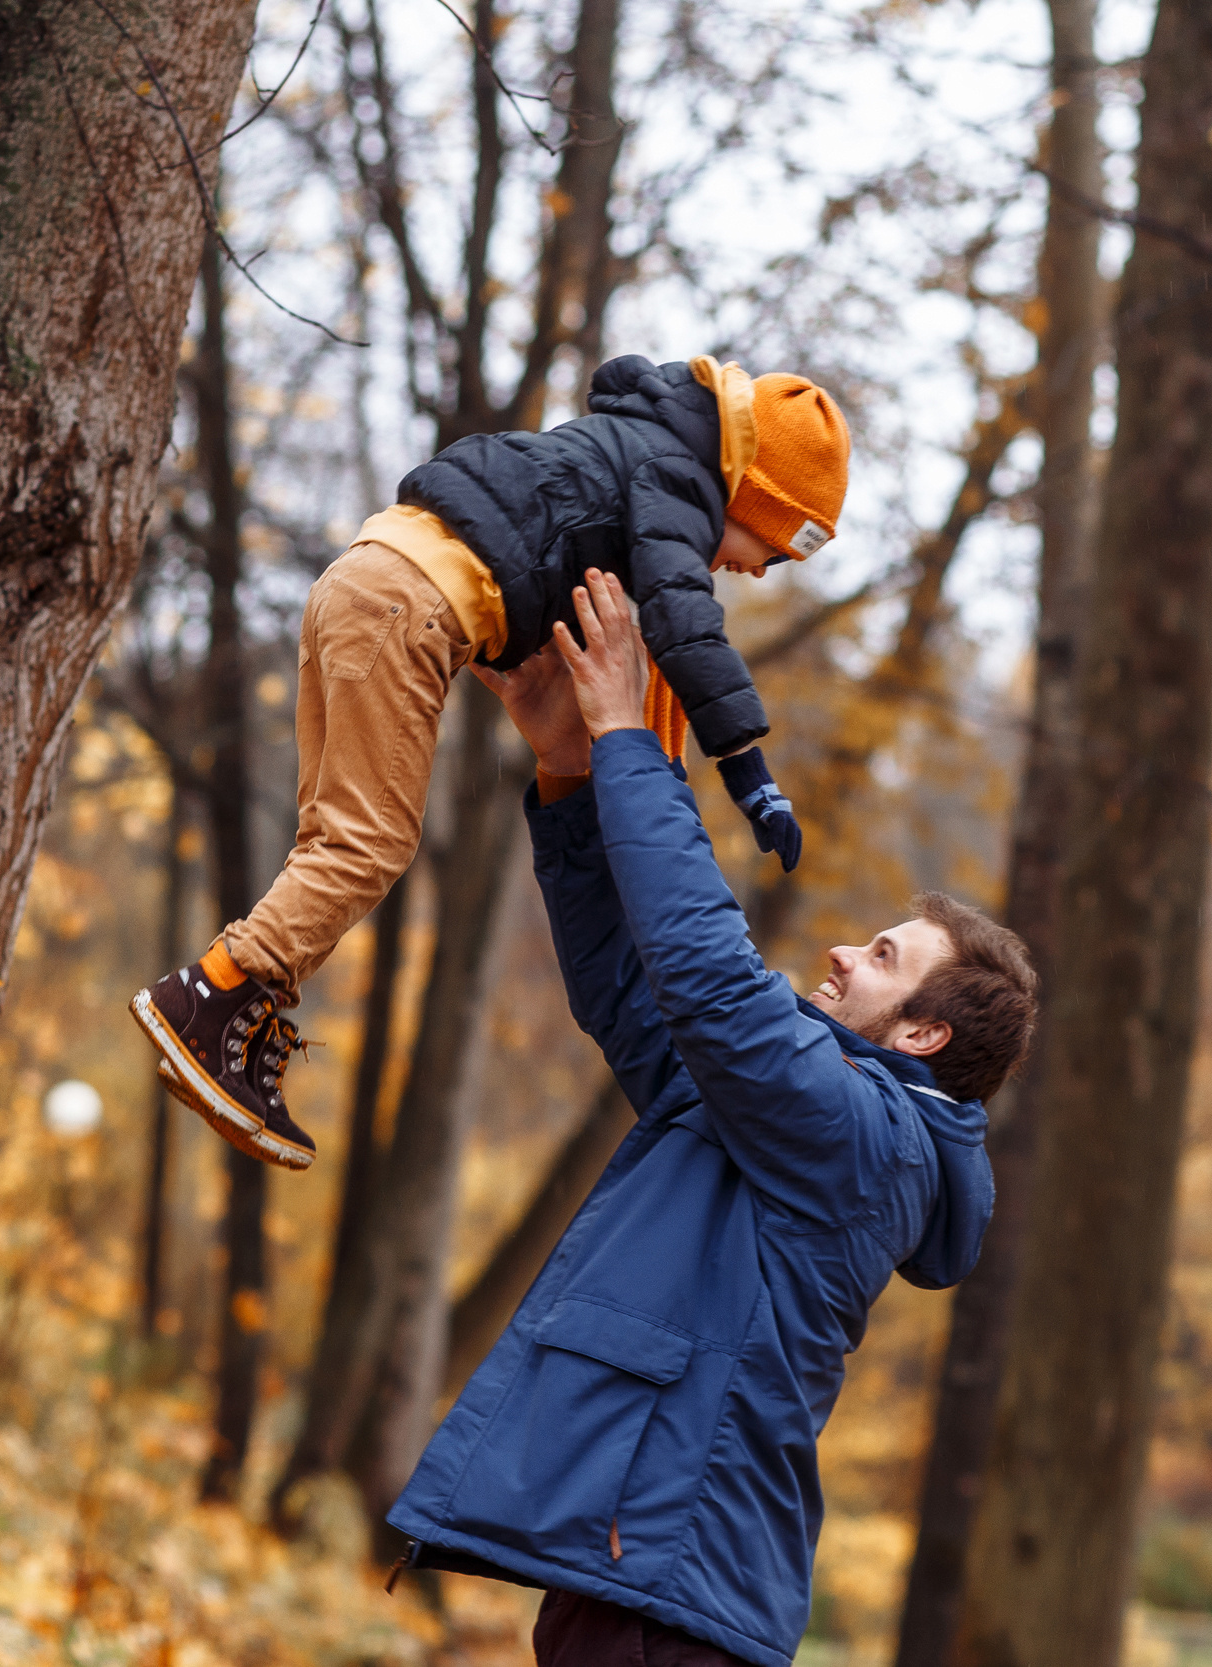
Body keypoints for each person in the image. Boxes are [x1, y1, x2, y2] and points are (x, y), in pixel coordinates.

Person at [383, 570, 1037, 1667]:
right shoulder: (789, 1109)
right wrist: (568, 773)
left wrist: (627, 741)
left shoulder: (868, 1141)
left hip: (670, 1596)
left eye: (883, 956)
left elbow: (709, 974)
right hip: (638, 1579)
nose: (842, 951)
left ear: (924, 1033)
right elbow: (631, 993)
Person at [132, 356, 849, 1169]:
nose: (756, 570)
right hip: (409, 607)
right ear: (749, 493)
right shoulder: (680, 483)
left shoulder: (637, 447)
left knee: (334, 838)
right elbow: (684, 627)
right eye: (773, 550)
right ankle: (213, 992)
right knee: (371, 844)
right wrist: (750, 776)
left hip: (361, 576)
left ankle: (234, 1007)